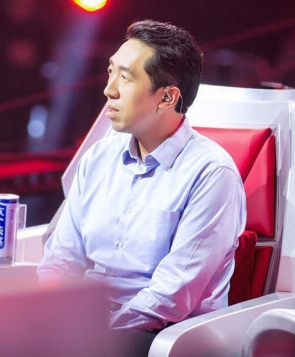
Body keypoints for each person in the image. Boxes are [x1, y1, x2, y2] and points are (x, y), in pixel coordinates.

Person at [37, 20, 246, 354]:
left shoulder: (212, 174)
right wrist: (52, 317)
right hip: (91, 326)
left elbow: (170, 297)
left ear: (167, 97)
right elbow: (61, 260)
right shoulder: (98, 157)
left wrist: (94, 332)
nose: (109, 90)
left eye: (126, 77)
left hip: (166, 336)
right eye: (111, 72)